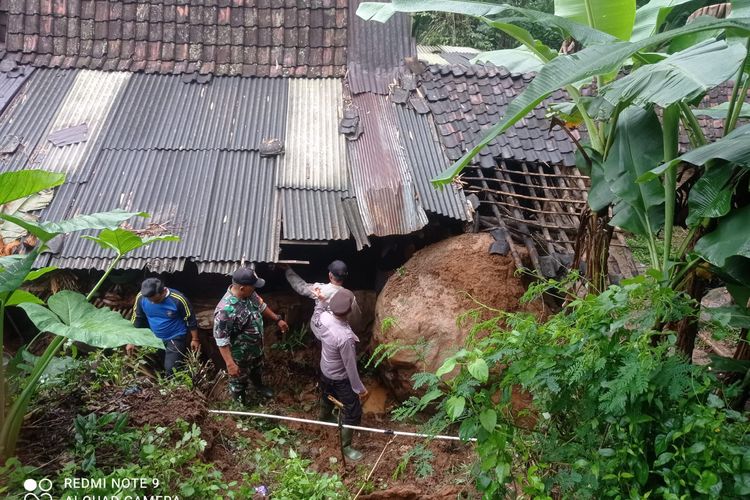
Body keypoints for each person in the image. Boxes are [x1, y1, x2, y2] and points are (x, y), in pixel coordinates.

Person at [213, 266, 289, 403]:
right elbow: (221, 340)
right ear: (242, 287)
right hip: (240, 356)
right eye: (253, 286)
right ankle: (240, 404)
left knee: (257, 370)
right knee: (238, 380)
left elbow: (261, 306)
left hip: (256, 348)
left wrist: (277, 319)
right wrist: (230, 364)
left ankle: (259, 386)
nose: (255, 288)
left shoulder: (250, 294)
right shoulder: (225, 311)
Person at [311, 287, 368, 461]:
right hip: (340, 378)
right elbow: (350, 367)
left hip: (325, 369)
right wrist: (360, 389)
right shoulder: (344, 337)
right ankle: (346, 447)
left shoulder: (324, 318)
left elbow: (316, 314)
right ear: (349, 311)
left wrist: (321, 301)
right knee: (352, 411)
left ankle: (324, 417)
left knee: (327, 394)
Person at [129, 278, 199, 376]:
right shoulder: (141, 297)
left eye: (156, 300)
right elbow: (137, 318)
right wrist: (131, 340)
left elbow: (190, 318)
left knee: (171, 368)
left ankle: (175, 387)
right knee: (161, 363)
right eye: (150, 300)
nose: (152, 303)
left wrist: (195, 339)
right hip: (155, 338)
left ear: (164, 291)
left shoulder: (178, 299)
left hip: (175, 336)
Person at [283, 260, 361, 321]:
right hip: (340, 332)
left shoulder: (320, 289)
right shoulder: (350, 297)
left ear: (330, 275)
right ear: (345, 276)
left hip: (322, 331)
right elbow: (356, 317)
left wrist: (288, 269)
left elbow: (301, 287)